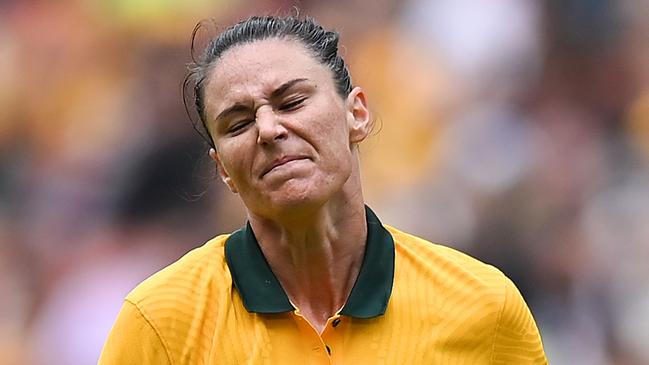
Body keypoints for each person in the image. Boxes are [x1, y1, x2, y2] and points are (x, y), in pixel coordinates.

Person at [98, 15, 548, 364]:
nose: (269, 129)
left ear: (357, 114)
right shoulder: (160, 322)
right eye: (238, 123)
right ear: (222, 170)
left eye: (292, 101)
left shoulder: (483, 307)